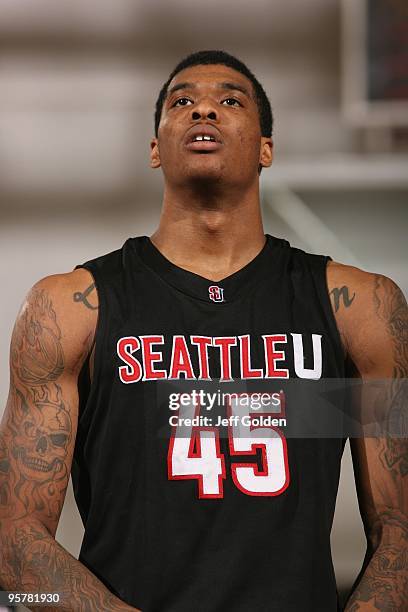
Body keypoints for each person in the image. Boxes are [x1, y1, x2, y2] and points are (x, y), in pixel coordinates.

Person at [0, 49, 406, 612]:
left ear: (267, 147)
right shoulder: (71, 308)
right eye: (182, 102)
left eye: (229, 101)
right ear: (154, 149)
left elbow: (398, 530)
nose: (203, 112)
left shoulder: (359, 307)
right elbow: (15, 550)